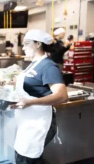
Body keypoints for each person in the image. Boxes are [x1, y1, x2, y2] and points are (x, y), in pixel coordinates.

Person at [11, 29, 68, 164]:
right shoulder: (33, 64)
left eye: (26, 43)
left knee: (27, 157)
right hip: (28, 121)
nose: (23, 47)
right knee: (23, 156)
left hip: (40, 122)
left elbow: (62, 96)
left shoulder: (48, 66)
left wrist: (30, 102)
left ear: (38, 44)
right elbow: (35, 85)